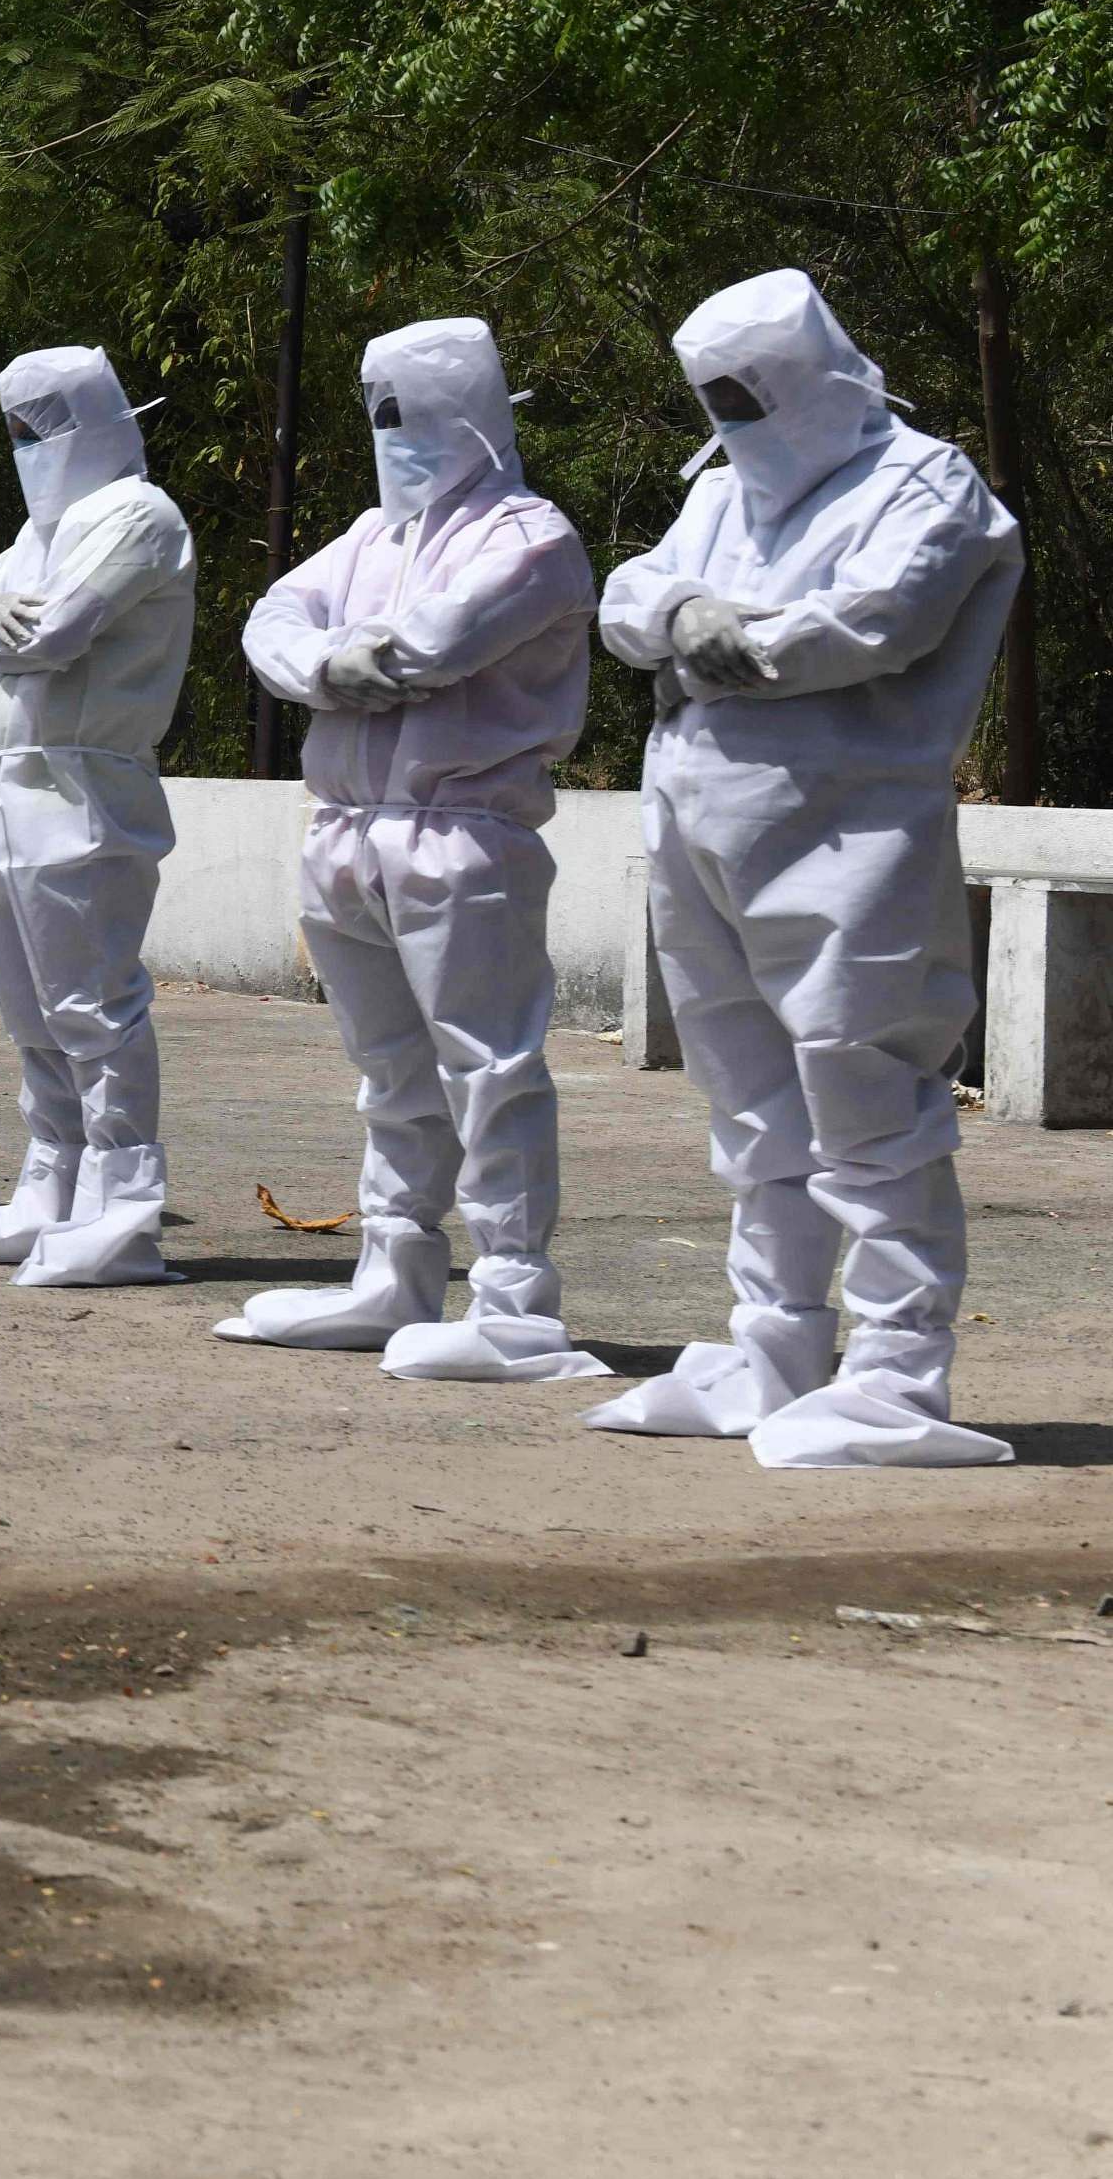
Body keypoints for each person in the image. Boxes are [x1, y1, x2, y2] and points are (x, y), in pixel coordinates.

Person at [583, 269, 1025, 1468]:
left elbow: (874, 618)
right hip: (697, 819)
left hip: (847, 831)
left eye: (747, 388)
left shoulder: (922, 482)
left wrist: (730, 641)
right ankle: (772, 1348)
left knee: (866, 1091)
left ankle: (894, 1370)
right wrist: (677, 610)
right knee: (747, 1102)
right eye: (711, 394)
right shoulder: (724, 493)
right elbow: (629, 592)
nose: (730, 413)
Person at [220, 318, 606, 1376]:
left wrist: (321, 661)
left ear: (470, 410)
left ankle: (516, 1299)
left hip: (461, 829)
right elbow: (268, 620)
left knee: (486, 1068)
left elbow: (435, 644)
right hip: (345, 830)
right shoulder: (367, 538)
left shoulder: (528, 535)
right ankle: (394, 1269)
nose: (391, 435)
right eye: (377, 412)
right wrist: (330, 661)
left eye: (410, 413)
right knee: (388, 1074)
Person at [0, 346, 195, 1287]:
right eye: (17, 431)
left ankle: (125, 1201)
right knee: (28, 1005)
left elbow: (56, 629)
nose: (28, 448)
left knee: (94, 1002)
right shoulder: (37, 536)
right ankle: (50, 1180)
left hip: (82, 789)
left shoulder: (138, 515)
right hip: (3, 784)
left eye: (44, 428)